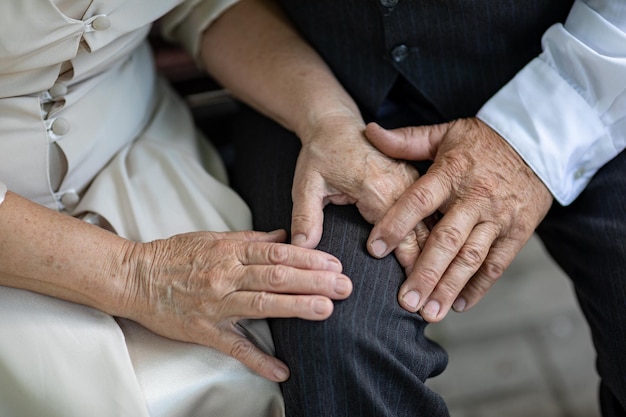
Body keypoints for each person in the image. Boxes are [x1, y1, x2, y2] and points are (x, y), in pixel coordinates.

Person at [198, 0, 626, 416]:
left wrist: (532, 138)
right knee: (335, 331)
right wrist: (324, 117)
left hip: (579, 72)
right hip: (321, 77)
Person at [0, 1, 355, 416]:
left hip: (141, 151)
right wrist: (137, 274)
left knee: (262, 372)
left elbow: (203, 4)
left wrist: (328, 118)